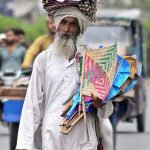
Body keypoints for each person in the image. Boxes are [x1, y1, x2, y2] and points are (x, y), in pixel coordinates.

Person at [16, 1, 113, 150]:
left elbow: (106, 111)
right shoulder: (43, 60)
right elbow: (32, 106)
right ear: (55, 24)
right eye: (63, 22)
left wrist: (100, 103)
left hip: (85, 139)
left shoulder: (93, 59)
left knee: (108, 130)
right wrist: (24, 145)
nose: (67, 29)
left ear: (80, 27)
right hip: (52, 137)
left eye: (73, 24)